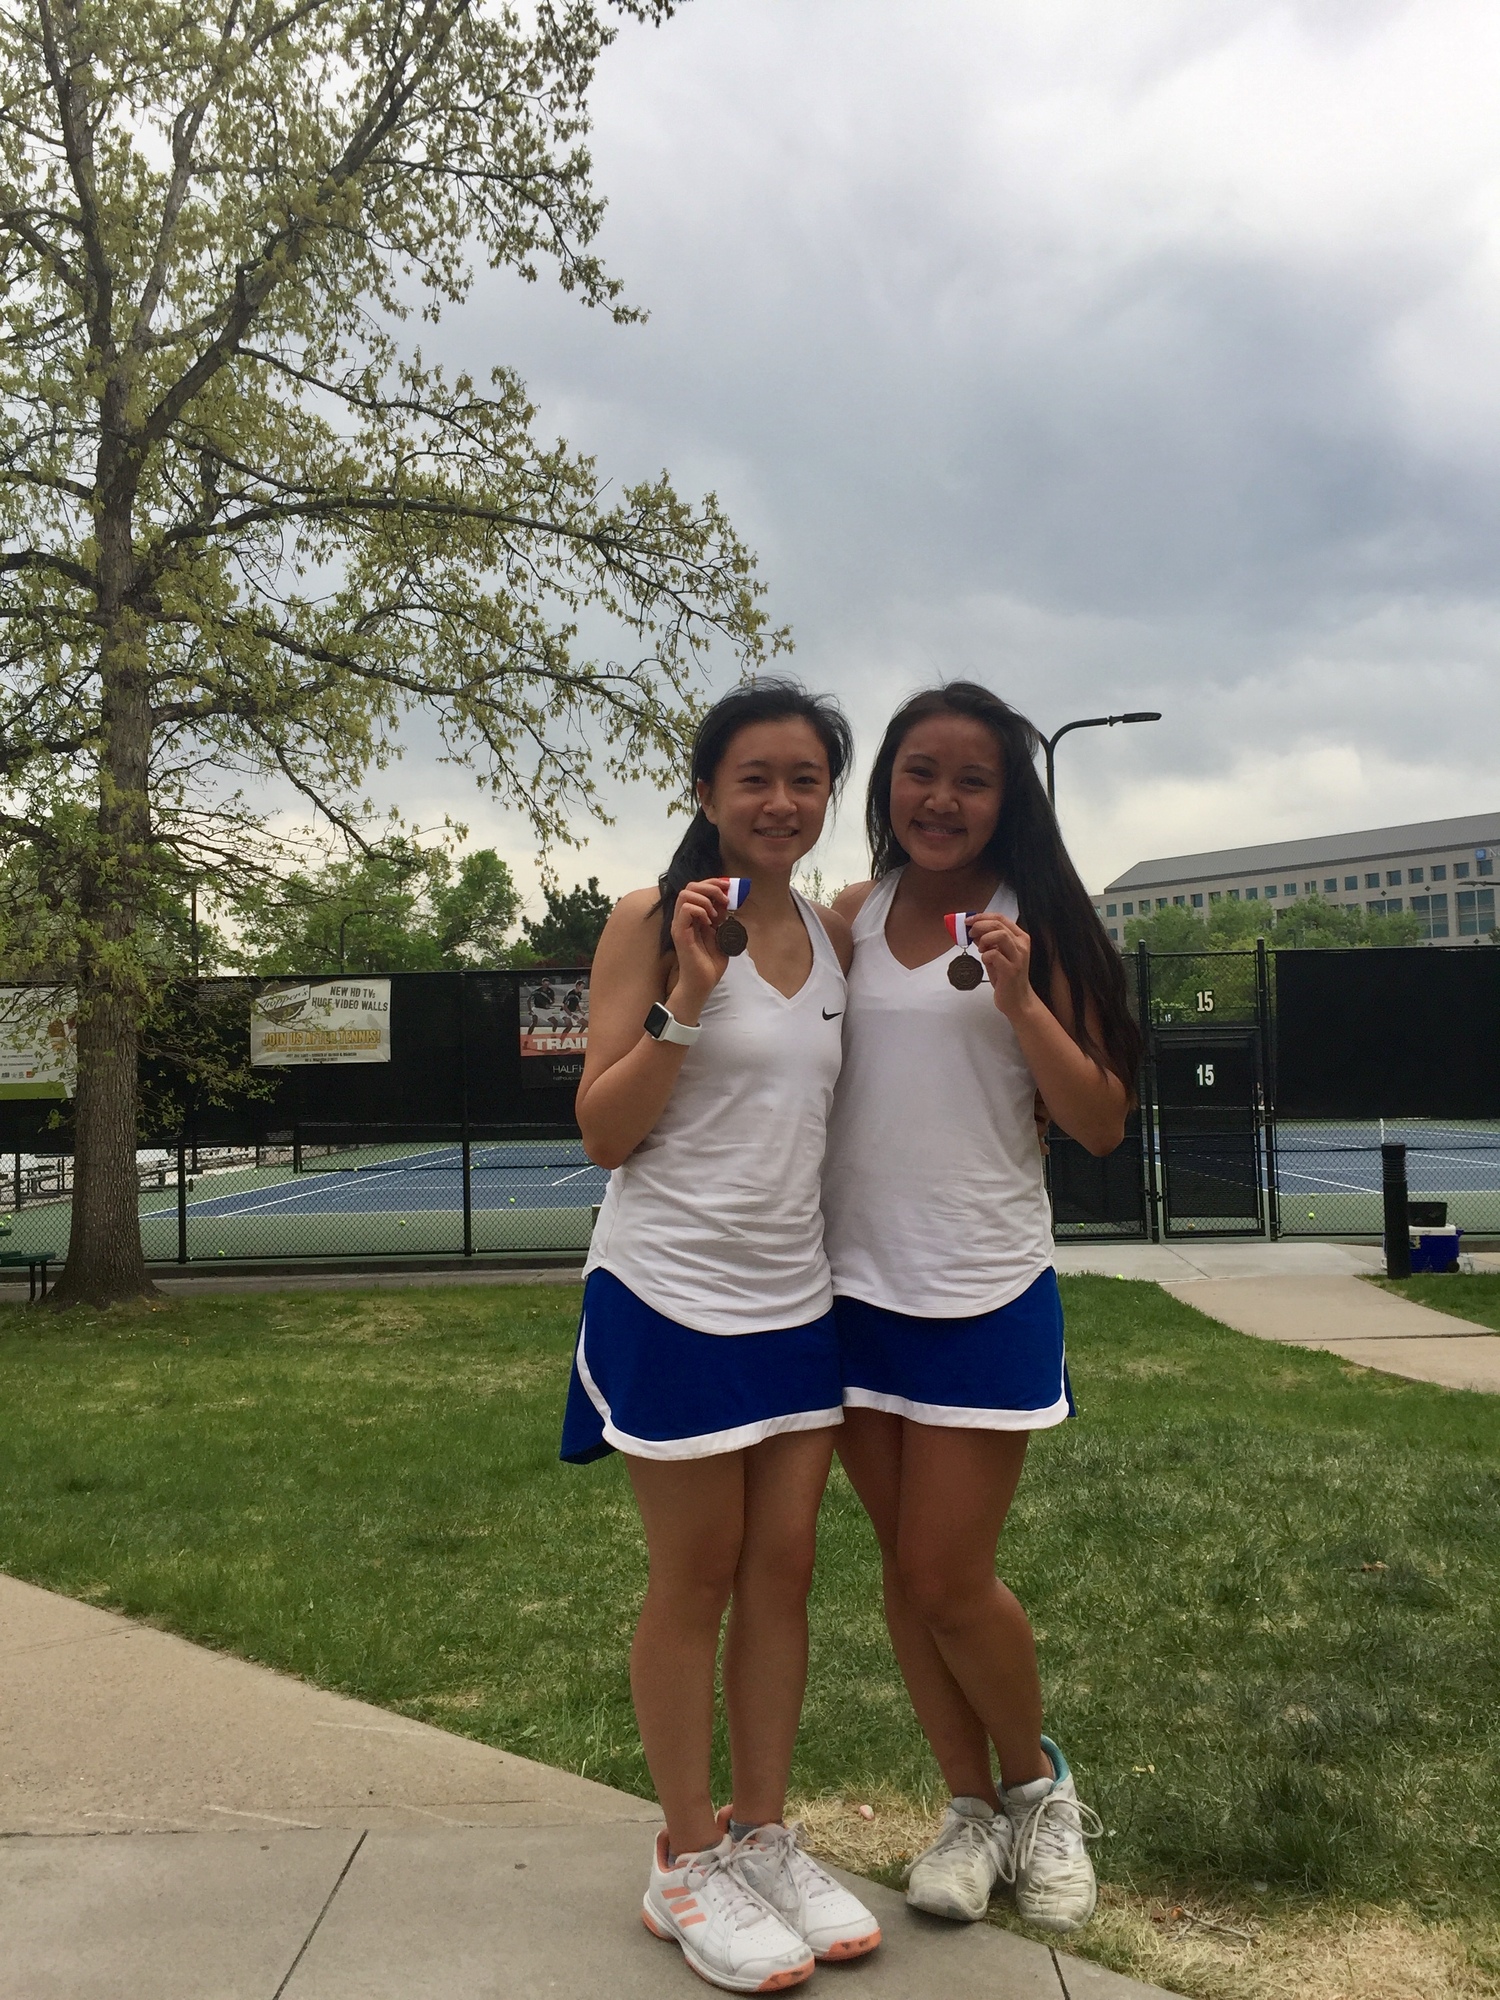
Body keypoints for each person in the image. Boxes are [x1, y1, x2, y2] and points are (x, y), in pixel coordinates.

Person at [563, 679, 883, 1994]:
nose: (780, 803)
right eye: (754, 778)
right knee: (693, 1575)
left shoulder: (834, 930)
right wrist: (688, 998)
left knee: (786, 1573)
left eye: (805, 780)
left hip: (794, 1304)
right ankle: (683, 1856)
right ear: (707, 792)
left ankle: (762, 1836)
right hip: (671, 1298)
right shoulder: (653, 918)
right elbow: (603, 1131)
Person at [823, 680, 1140, 1936]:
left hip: (983, 1284)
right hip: (846, 1289)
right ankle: (967, 1806)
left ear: (1009, 797)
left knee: (952, 1573)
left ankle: (1038, 1787)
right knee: (905, 1578)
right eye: (918, 771)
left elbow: (1102, 1124)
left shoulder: (1038, 924)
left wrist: (1018, 1001)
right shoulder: (847, 918)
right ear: (887, 787)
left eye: (971, 777)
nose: (941, 797)